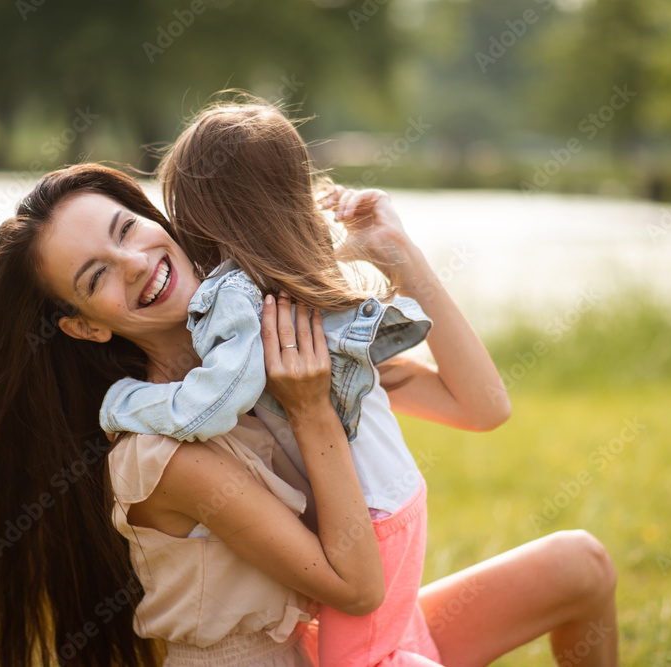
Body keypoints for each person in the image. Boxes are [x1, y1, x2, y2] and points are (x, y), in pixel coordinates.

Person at [0, 160, 619, 666]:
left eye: (127, 229)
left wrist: (398, 254)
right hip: (297, 648)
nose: (137, 263)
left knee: (579, 564)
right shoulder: (163, 454)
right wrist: (311, 410)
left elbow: (482, 406)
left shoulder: (271, 334)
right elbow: (358, 587)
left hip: (328, 645)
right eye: (96, 276)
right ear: (84, 327)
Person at [97, 101, 441, 666]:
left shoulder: (240, 298)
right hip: (395, 500)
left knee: (365, 661)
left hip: (368, 523)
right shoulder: (308, 291)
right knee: (384, 649)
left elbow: (214, 403)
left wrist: (129, 404)